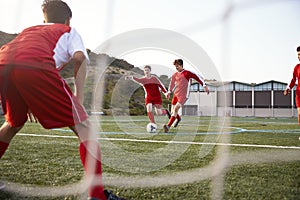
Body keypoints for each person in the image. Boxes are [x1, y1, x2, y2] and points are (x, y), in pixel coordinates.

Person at [0, 1, 125, 200]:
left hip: (3, 65)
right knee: (85, 128)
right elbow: (79, 58)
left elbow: (19, 58)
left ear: (44, 19)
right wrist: (79, 99)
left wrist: (29, 97)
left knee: (12, 124)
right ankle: (97, 196)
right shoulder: (68, 30)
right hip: (34, 68)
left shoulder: (29, 30)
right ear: (68, 19)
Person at [163, 59, 210, 133]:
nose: (176, 68)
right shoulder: (175, 75)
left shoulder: (187, 73)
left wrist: (204, 85)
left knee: (175, 109)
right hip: (176, 94)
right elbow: (172, 84)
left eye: (177, 66)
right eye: (175, 66)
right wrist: (169, 92)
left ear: (181, 65)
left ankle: (168, 126)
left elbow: (198, 77)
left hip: (184, 95)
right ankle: (178, 119)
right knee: (173, 112)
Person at [284, 46, 300, 125]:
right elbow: (293, 80)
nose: (299, 57)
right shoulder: (297, 67)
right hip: (299, 94)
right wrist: (288, 88)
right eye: (298, 55)